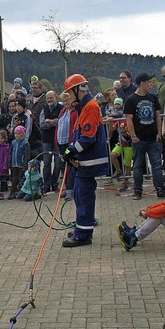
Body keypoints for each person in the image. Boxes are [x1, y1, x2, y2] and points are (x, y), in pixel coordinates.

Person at [61, 74, 109, 247]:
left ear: (77, 90)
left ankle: (83, 235)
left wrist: (72, 150)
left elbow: (88, 138)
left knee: (83, 196)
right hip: (85, 161)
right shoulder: (84, 107)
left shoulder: (90, 107)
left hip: (89, 162)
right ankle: (82, 229)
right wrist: (71, 150)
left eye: (69, 93)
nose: (68, 98)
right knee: (81, 196)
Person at [124, 72, 165, 200]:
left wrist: (159, 133)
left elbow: (158, 116)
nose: (151, 84)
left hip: (153, 138)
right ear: (142, 83)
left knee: (157, 165)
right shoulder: (131, 100)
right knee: (138, 165)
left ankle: (161, 190)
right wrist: (133, 136)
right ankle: (137, 191)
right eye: (148, 82)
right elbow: (129, 119)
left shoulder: (153, 98)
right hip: (139, 139)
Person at [40, 90, 63, 192]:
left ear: (56, 97)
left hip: (58, 139)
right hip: (46, 140)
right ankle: (46, 185)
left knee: (58, 163)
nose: (49, 100)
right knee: (46, 163)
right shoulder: (43, 110)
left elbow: (61, 122)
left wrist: (49, 121)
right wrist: (53, 122)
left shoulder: (62, 109)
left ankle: (55, 184)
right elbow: (42, 124)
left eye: (51, 98)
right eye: (48, 98)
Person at [56, 92, 78, 201]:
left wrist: (72, 143)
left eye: (67, 100)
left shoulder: (75, 112)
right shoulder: (63, 111)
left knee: (70, 166)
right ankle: (67, 187)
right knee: (63, 165)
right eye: (64, 101)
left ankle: (71, 190)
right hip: (61, 143)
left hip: (70, 143)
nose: (65, 103)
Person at [8, 125, 29, 200]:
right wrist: (9, 163)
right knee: (14, 178)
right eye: (15, 134)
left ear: (22, 134)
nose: (16, 135)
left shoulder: (25, 143)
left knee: (21, 178)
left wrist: (25, 165)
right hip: (14, 164)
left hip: (21, 164)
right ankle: (13, 192)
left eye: (18, 134)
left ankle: (21, 191)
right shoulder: (13, 142)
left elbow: (27, 155)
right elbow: (10, 153)